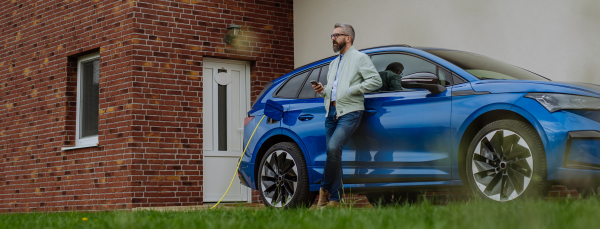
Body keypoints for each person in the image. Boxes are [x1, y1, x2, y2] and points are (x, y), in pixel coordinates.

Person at [311, 23, 382, 208]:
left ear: (348, 38)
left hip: (350, 111)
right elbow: (333, 91)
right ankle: (334, 199)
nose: (333, 38)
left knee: (333, 148)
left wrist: (353, 89)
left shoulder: (360, 58)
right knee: (333, 155)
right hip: (331, 112)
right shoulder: (333, 63)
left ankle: (323, 191)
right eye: (332, 35)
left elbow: (376, 80)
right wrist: (322, 90)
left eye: (336, 35)